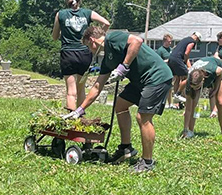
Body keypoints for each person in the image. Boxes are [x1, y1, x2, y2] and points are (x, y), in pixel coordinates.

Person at [63, 26, 172, 173]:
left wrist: (123, 66)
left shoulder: (112, 39)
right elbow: (97, 87)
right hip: (139, 81)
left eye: (88, 46)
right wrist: (79, 110)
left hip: (156, 77)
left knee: (143, 117)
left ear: (92, 40)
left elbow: (137, 41)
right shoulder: (107, 61)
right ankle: (125, 148)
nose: (90, 51)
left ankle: (147, 162)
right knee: (120, 105)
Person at [52, 0, 110, 111]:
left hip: (68, 54)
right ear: (80, 0)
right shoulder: (87, 13)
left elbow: (54, 36)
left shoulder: (60, 14)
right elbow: (106, 23)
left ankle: (71, 121)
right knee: (81, 88)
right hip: (85, 54)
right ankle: (80, 117)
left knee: (71, 92)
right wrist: (96, 35)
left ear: (66, 1)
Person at [182, 57, 222, 139]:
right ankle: (190, 131)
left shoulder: (213, 70)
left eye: (197, 87)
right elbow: (188, 109)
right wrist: (185, 129)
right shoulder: (190, 82)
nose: (195, 89)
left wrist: (215, 89)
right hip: (198, 76)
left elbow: (220, 71)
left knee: (220, 102)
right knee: (193, 104)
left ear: (203, 81)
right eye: (193, 87)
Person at [168, 31, 202, 104]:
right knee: (187, 77)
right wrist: (187, 63)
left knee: (177, 78)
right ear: (197, 38)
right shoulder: (192, 41)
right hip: (178, 59)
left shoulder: (185, 39)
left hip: (171, 58)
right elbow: (186, 53)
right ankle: (178, 95)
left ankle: (176, 101)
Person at [155, 34, 174, 108]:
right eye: (169, 41)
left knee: (170, 88)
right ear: (165, 41)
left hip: (171, 71)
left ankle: (170, 103)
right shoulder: (160, 50)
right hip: (163, 72)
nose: (170, 43)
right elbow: (157, 62)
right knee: (164, 88)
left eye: (171, 41)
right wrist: (166, 61)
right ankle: (163, 103)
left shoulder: (170, 49)